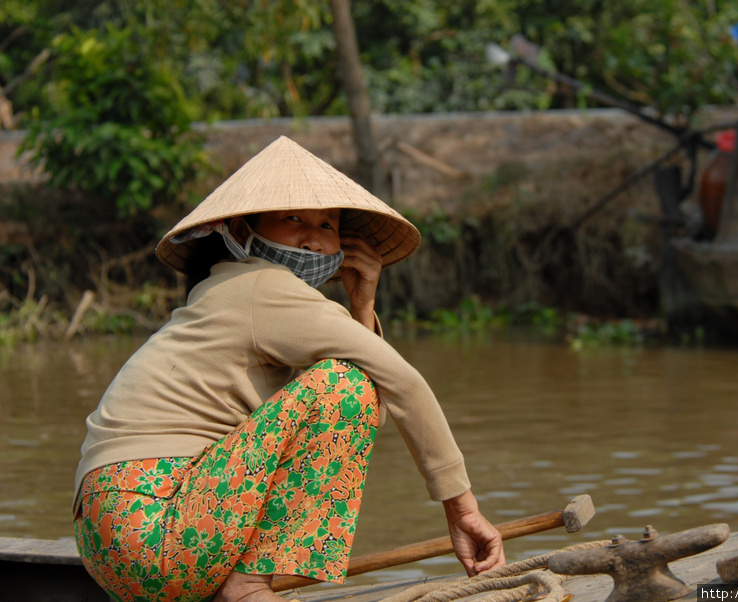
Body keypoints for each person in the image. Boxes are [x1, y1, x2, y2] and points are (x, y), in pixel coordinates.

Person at [73, 136, 506, 602]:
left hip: (115, 543)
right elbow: (396, 384)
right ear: (240, 231)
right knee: (343, 386)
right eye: (293, 219)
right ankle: (247, 588)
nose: (314, 238)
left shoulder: (231, 290)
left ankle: (242, 585)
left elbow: (363, 417)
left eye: (328, 224)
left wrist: (362, 307)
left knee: (349, 388)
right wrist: (462, 509)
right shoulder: (263, 287)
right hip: (152, 524)